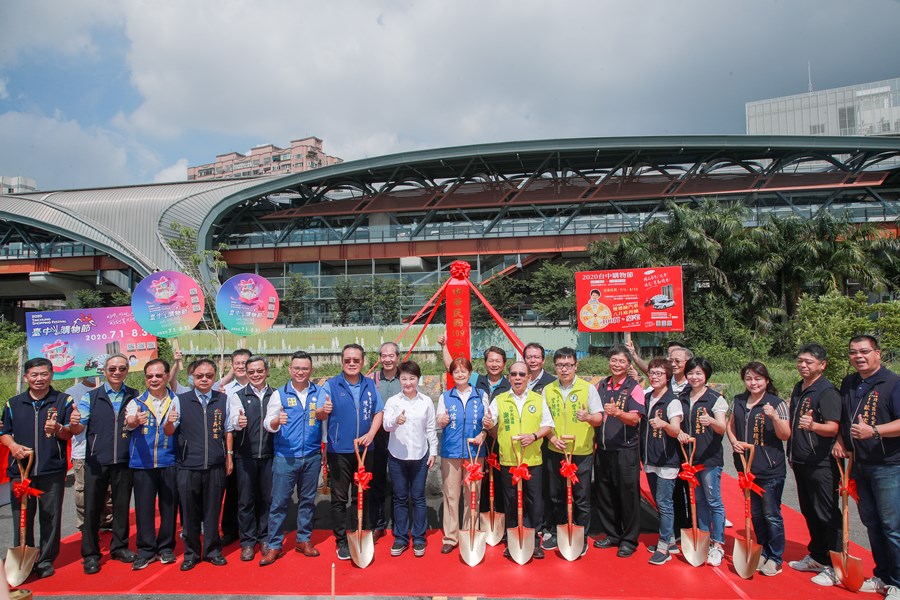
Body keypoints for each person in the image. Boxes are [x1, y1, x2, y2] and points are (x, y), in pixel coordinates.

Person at [833, 335, 900, 596]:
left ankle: (897, 581)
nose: (858, 357)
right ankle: (882, 575)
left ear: (878, 353)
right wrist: (840, 440)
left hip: (888, 466)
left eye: (864, 351)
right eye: (853, 352)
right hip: (859, 464)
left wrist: (874, 430)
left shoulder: (893, 383)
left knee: (892, 527)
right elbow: (843, 418)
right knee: (871, 523)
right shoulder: (849, 382)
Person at [1, 357, 78, 579]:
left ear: (52, 375)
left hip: (51, 470)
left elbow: (69, 433)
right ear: (26, 377)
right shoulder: (13, 404)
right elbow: (4, 432)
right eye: (34, 375)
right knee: (22, 517)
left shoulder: (63, 400)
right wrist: (13, 446)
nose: (39, 379)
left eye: (44, 374)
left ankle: (45, 560)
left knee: (50, 517)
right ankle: (24, 555)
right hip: (21, 472)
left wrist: (58, 428)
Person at [259, 351, 327, 566]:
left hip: (312, 455)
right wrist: (277, 421)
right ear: (290, 369)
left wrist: (323, 449)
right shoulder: (279, 394)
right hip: (285, 457)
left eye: (305, 368)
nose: (300, 372)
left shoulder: (320, 393)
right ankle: (274, 544)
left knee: (307, 501)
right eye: (296, 368)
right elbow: (267, 424)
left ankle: (303, 539)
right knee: (279, 503)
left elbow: (323, 422)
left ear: (311, 370)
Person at [317, 344, 384, 561]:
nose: (352, 363)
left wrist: (372, 434)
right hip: (339, 450)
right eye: (348, 360)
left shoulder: (370, 385)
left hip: (365, 451)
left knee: (361, 495)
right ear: (342, 362)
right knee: (339, 497)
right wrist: (322, 411)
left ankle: (358, 534)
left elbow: (378, 412)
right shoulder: (330, 386)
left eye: (356, 360)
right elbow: (319, 414)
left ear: (363, 361)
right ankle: (341, 540)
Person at [483, 361, 554, 560]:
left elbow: (548, 425)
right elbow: (491, 422)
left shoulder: (538, 399)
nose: (518, 378)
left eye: (522, 374)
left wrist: (533, 436)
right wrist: (488, 424)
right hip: (508, 460)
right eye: (514, 374)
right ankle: (512, 541)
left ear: (529, 377)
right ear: (509, 377)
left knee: (533, 502)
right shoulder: (500, 400)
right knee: (511, 501)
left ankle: (534, 542)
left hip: (532, 460)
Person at [75, 355, 139, 574]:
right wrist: (71, 424)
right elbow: (78, 426)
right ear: (104, 370)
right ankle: (91, 554)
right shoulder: (90, 397)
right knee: (92, 508)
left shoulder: (134, 396)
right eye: (112, 368)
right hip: (96, 460)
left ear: (127, 371)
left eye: (122, 368)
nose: (117, 372)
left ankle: (119, 547)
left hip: (124, 460)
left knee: (121, 507)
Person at [785, 344, 843, 585]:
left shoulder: (827, 392)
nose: (803, 365)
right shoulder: (800, 388)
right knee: (809, 511)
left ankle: (836, 564)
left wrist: (814, 427)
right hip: (801, 460)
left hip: (821, 462)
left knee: (827, 513)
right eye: (800, 361)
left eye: (809, 362)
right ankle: (818, 556)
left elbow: (833, 427)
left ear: (822, 365)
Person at [727, 361, 791, 576]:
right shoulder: (738, 401)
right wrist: (733, 440)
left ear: (766, 380)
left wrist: (773, 416)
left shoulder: (777, 404)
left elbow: (785, 435)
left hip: (770, 469)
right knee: (755, 514)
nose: (753, 383)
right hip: (746, 468)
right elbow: (731, 425)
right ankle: (761, 548)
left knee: (771, 514)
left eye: (758, 378)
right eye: (748, 378)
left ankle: (775, 557)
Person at [541, 347, 602, 558]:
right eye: (560, 365)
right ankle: (558, 532)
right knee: (556, 495)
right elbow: (544, 422)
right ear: (554, 367)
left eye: (568, 365)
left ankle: (581, 536)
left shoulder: (588, 389)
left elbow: (599, 418)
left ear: (576, 365)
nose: (564, 369)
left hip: (581, 452)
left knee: (581, 496)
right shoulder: (548, 390)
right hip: (555, 449)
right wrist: (552, 438)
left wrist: (588, 418)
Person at [175, 358, 229, 570]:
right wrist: (170, 422)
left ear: (214, 377)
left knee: (212, 512)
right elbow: (171, 430)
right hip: (188, 465)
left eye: (208, 376)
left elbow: (228, 430)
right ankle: (191, 553)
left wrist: (228, 456)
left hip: (215, 465)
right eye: (199, 376)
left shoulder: (222, 400)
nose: (204, 379)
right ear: (192, 378)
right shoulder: (181, 400)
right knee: (189, 513)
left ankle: (213, 551)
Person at [125, 358, 179, 570]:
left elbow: (175, 429)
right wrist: (133, 421)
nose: (154, 379)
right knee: (144, 508)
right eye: (149, 376)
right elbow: (129, 421)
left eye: (158, 375)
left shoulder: (176, 400)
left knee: (168, 507)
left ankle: (166, 547)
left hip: (169, 461)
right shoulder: (136, 402)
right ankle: (146, 550)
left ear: (167, 376)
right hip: (142, 464)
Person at [592, 344, 645, 558]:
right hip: (603, 449)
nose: (617, 364)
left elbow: (635, 419)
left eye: (621, 361)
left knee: (628, 495)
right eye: (614, 360)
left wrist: (617, 413)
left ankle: (629, 540)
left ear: (628, 364)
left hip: (626, 450)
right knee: (605, 494)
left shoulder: (634, 388)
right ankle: (612, 534)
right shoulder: (601, 386)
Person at [677, 356, 728, 567]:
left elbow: (722, 428)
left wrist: (711, 421)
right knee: (697, 500)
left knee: (713, 500)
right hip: (689, 458)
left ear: (706, 375)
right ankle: (704, 537)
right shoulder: (683, 396)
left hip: (709, 458)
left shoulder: (716, 398)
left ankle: (718, 544)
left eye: (698, 373)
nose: (694, 377)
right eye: (690, 373)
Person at [383, 361, 437, 557]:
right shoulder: (393, 402)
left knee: (418, 498)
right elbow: (386, 426)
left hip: (420, 456)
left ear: (418, 379)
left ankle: (419, 537)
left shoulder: (426, 402)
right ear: (399, 379)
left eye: (412, 378)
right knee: (399, 498)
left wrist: (433, 452)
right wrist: (395, 421)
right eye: (404, 378)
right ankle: (401, 537)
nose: (408, 383)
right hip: (397, 456)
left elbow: (430, 428)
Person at [436, 357, 488, 555]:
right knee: (451, 495)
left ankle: (469, 531)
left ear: (470, 373)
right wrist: (442, 419)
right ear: (451, 374)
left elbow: (488, 421)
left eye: (463, 371)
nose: (460, 374)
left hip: (474, 452)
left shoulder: (480, 394)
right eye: (456, 371)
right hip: (451, 451)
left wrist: (484, 431)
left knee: (472, 494)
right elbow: (439, 421)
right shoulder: (445, 396)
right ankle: (451, 536)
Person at [227, 355, 275, 562]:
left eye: (259, 371)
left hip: (270, 455)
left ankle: (264, 538)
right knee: (245, 501)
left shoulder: (275, 395)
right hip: (245, 456)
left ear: (266, 372)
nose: (256, 375)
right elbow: (231, 422)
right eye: (252, 372)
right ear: (246, 374)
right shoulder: (237, 395)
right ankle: (247, 542)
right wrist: (239, 421)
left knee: (267, 499)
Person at [641, 357, 684, 565]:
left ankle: (664, 546)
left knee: (665, 504)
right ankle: (671, 542)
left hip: (667, 460)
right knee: (659, 503)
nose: (655, 376)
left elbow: (676, 430)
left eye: (659, 373)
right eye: (652, 373)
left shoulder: (673, 401)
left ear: (667, 377)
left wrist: (664, 424)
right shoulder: (647, 397)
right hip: (650, 459)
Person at [218, 348, 251, 547]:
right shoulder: (224, 389)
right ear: (232, 366)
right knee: (232, 489)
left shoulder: (262, 386)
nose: (240, 366)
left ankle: (252, 528)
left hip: (254, 442)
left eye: (244, 363)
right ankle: (230, 530)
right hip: (230, 440)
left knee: (252, 488)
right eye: (237, 363)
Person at [369, 342, 401, 542]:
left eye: (391, 356)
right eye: (384, 356)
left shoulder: (405, 378)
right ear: (379, 358)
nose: (387, 359)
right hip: (377, 437)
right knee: (377, 481)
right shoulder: (371, 380)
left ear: (398, 357)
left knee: (399, 483)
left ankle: (400, 525)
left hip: (400, 437)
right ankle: (377, 524)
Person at [65, 376, 98, 533]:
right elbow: (70, 425)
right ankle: (85, 524)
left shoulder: (109, 388)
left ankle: (106, 522)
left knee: (107, 492)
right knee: (82, 490)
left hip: (103, 450)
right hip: (82, 449)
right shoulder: (72, 393)